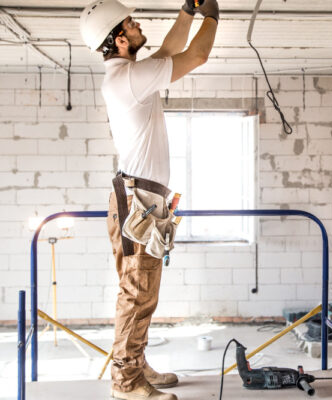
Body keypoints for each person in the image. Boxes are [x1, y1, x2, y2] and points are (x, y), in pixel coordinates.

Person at [79, 1, 218, 399]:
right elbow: (197, 54)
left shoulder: (130, 73)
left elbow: (168, 52)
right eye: (131, 23)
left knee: (141, 291)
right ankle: (126, 383)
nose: (139, 25)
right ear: (120, 39)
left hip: (141, 198)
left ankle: (136, 367)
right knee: (137, 293)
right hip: (138, 199)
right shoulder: (128, 79)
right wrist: (212, 16)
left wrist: (188, 13)